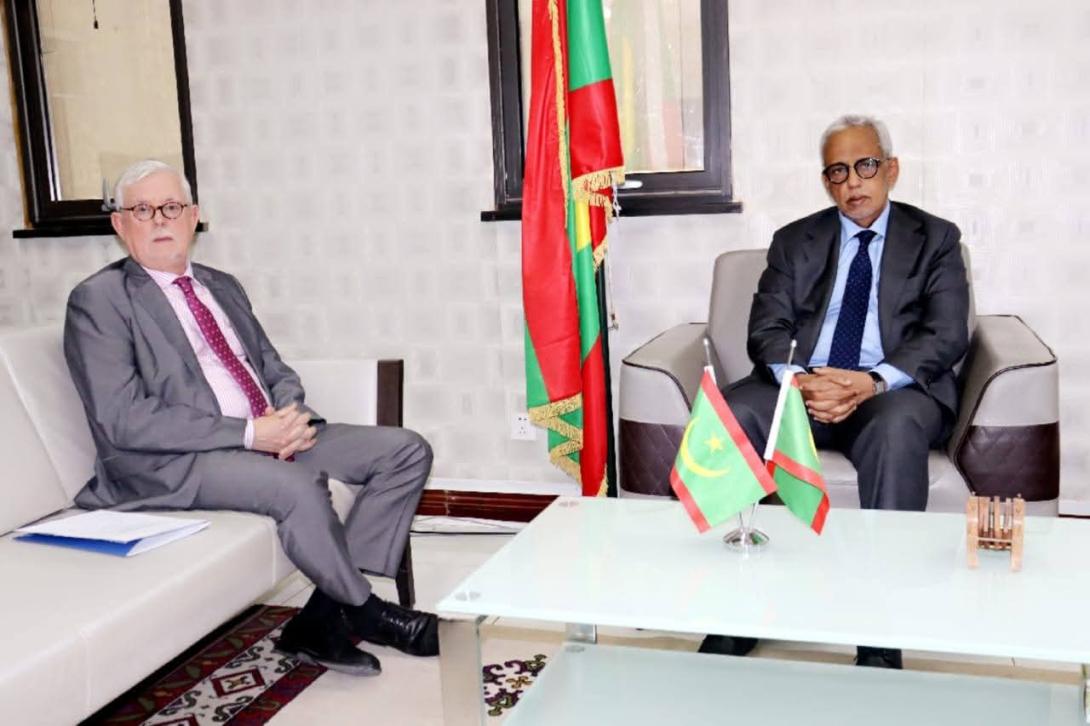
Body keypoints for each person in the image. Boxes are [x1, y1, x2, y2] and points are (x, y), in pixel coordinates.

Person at [64, 159, 437, 677]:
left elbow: (269, 365)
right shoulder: (98, 300)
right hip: (177, 460)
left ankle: (322, 617)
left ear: (193, 216)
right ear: (119, 224)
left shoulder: (221, 285)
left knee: (405, 450)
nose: (159, 220)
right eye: (142, 210)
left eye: (170, 207)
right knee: (298, 485)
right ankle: (366, 611)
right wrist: (248, 433)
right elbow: (122, 419)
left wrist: (289, 414)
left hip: (262, 434)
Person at [701, 115, 970, 669]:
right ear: (827, 182)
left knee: (896, 430)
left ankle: (879, 631)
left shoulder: (936, 239)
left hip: (889, 391)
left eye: (865, 166)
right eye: (838, 172)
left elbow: (945, 334)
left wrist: (871, 381)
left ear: (891, 169)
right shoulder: (794, 241)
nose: (853, 182)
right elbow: (767, 328)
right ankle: (734, 612)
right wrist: (802, 382)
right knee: (734, 412)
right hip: (803, 384)